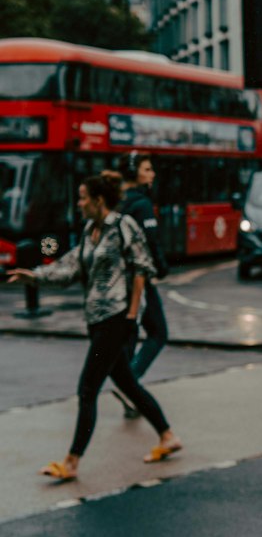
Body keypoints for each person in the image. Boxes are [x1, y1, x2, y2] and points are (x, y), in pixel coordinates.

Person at [4, 172, 182, 481]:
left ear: (99, 201)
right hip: (97, 320)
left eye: (84, 197)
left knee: (87, 390)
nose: (79, 203)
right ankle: (167, 436)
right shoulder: (91, 230)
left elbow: (143, 267)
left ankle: (72, 461)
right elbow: (71, 267)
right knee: (127, 384)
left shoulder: (123, 226)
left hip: (116, 319)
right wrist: (34, 276)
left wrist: (131, 315)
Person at [111, 153, 170, 416]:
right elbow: (151, 240)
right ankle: (130, 384)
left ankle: (130, 401)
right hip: (139, 279)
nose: (153, 173)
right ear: (136, 174)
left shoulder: (118, 202)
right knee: (158, 332)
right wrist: (162, 267)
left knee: (131, 333)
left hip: (117, 279)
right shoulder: (142, 204)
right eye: (148, 169)